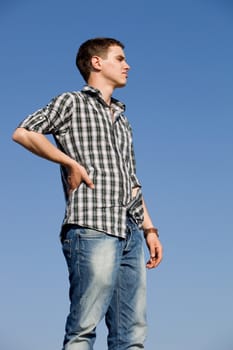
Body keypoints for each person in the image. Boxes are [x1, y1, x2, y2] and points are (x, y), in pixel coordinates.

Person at [12, 37, 163, 350]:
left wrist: (149, 229)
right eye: (119, 59)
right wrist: (68, 162)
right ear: (97, 62)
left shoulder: (123, 120)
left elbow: (132, 178)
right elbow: (23, 132)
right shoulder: (71, 102)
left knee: (132, 334)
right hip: (92, 225)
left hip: (130, 230)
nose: (127, 65)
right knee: (84, 326)